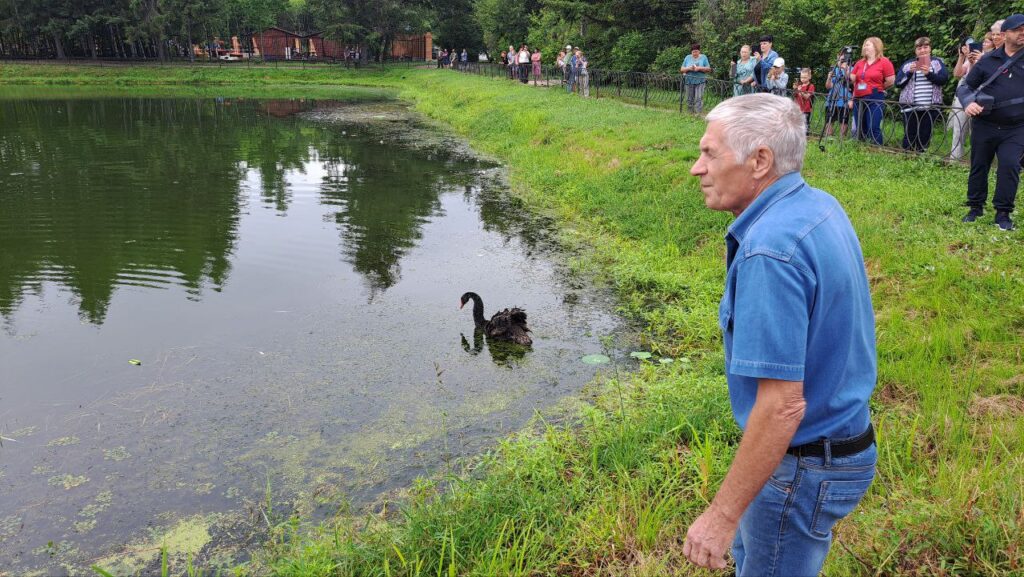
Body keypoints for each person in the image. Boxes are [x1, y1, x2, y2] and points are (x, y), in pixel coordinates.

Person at [685, 93, 877, 576]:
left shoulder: (770, 250)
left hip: (803, 465)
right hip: (837, 445)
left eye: (709, 154)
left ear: (760, 161)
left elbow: (782, 405)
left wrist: (721, 515)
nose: (696, 168)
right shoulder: (816, 205)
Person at [958, 14, 1024, 231]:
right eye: (1018, 30)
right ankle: (975, 207)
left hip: (1016, 127)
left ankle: (1003, 213)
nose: (1023, 33)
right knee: (979, 166)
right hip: (985, 124)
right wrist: (968, 103)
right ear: (1005, 35)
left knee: (1009, 166)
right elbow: (965, 87)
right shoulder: (987, 60)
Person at [895, 36, 949, 152]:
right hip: (910, 106)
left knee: (925, 133)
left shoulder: (937, 63)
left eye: (925, 47)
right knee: (910, 133)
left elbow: (943, 80)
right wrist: (909, 72)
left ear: (930, 49)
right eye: (919, 48)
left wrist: (928, 74)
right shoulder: (908, 64)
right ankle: (907, 155)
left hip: (930, 106)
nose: (923, 50)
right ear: (915, 51)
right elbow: (898, 83)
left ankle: (921, 155)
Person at [849, 37, 895, 145]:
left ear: (876, 46)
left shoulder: (884, 62)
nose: (865, 47)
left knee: (873, 126)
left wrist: (879, 87)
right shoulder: (860, 63)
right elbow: (852, 78)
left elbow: (891, 80)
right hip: (859, 97)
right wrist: (847, 71)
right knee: (860, 125)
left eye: (868, 45)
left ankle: (876, 150)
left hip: (875, 96)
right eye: (864, 45)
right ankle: (861, 148)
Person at [825, 50, 852, 138]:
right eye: (841, 57)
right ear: (837, 57)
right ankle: (829, 138)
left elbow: (851, 82)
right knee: (829, 120)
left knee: (843, 121)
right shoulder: (834, 69)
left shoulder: (852, 69)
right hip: (832, 100)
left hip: (844, 100)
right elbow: (828, 86)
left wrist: (846, 69)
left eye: (844, 58)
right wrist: (829, 78)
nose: (842, 60)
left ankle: (841, 139)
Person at [681, 43, 712, 113]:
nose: (695, 53)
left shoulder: (704, 57)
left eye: (696, 52)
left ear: (699, 51)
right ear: (691, 52)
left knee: (698, 98)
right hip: (689, 81)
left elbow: (709, 69)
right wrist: (689, 68)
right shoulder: (687, 57)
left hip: (700, 81)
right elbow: (682, 69)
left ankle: (698, 113)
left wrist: (699, 68)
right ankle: (690, 113)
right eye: (693, 52)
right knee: (689, 98)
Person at [793, 67, 815, 133]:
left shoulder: (811, 86)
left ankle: (806, 134)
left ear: (809, 77)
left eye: (805, 77)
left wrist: (801, 91)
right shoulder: (799, 85)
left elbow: (807, 97)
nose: (802, 79)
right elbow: (795, 96)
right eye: (801, 77)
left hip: (806, 108)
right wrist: (795, 90)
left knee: (805, 122)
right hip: (798, 108)